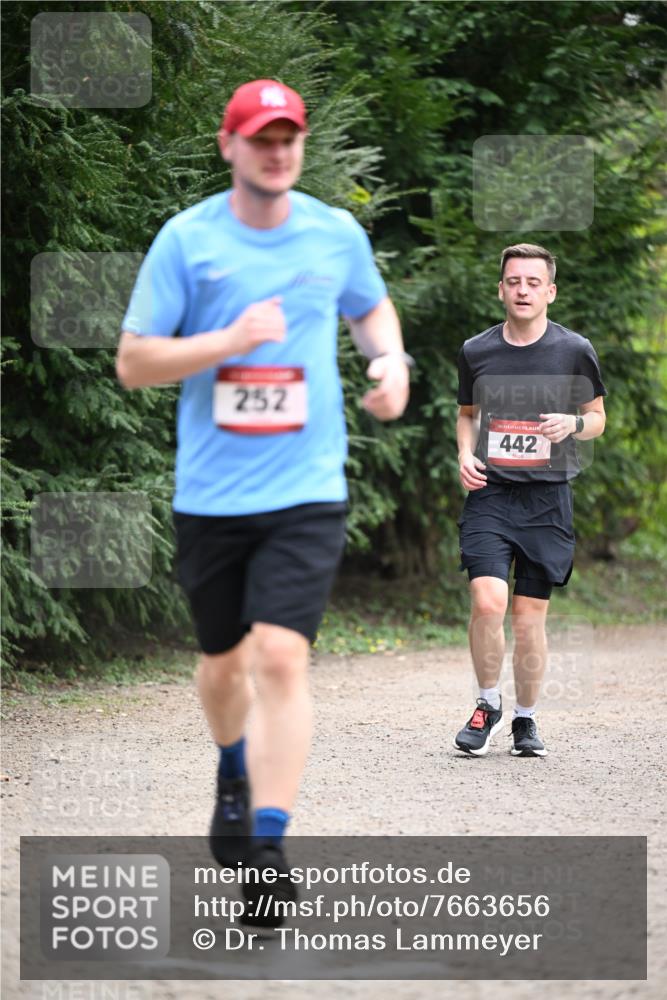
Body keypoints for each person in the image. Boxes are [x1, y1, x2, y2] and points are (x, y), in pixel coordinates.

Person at [115, 79, 410, 921]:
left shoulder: (335, 233)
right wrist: (228, 342)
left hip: (306, 488)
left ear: (299, 147)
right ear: (229, 146)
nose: (277, 151)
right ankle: (232, 769)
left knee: (281, 657)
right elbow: (134, 363)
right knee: (220, 667)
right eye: (260, 138)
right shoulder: (189, 241)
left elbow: (371, 312)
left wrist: (388, 366)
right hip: (212, 495)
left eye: (289, 138)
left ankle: (269, 847)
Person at [454, 243, 606, 758]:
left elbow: (598, 417)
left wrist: (576, 423)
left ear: (550, 292)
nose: (522, 290)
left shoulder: (574, 350)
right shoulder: (477, 350)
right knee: (487, 601)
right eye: (513, 281)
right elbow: (466, 413)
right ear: (500, 289)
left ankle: (525, 721)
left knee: (527, 617)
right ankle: (487, 704)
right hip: (491, 494)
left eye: (533, 282)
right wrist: (463, 454)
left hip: (547, 500)